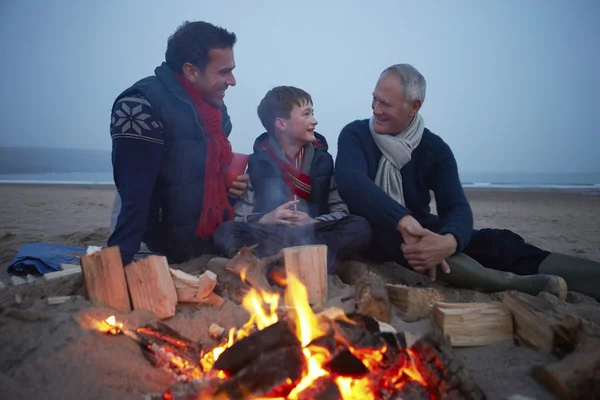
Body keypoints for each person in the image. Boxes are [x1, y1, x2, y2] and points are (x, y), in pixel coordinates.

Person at [335, 63, 600, 300]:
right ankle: (511, 284)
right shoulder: (355, 134)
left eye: (386, 104)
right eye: (374, 99)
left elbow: (457, 207)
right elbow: (352, 181)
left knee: (498, 242)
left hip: (422, 230)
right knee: (411, 242)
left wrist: (449, 240)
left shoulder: (435, 150)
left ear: (414, 106)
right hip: (374, 230)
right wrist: (403, 221)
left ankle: (588, 277)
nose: (375, 109)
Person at [107, 21, 249, 266]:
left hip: (201, 243)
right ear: (191, 71)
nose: (233, 80)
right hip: (154, 247)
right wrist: (117, 263)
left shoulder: (215, 109)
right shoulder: (139, 106)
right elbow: (134, 197)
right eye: (224, 71)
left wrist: (229, 185)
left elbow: (198, 173)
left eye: (232, 70)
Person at [213, 86, 372, 272]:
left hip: (313, 232)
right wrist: (267, 218)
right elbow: (240, 216)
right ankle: (297, 259)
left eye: (313, 113)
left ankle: (294, 259)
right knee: (225, 232)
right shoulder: (258, 163)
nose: (314, 121)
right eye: (306, 114)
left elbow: (340, 209)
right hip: (273, 234)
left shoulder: (324, 161)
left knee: (359, 227)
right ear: (281, 124)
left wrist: (313, 222)